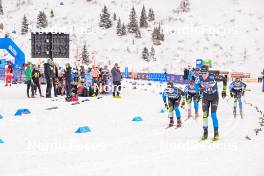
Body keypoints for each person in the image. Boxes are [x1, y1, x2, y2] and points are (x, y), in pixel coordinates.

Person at [194, 65, 227, 141]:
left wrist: (224, 90)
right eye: (202, 73)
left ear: (208, 72)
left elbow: (224, 79)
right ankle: (205, 133)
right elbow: (196, 84)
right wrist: (197, 93)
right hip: (205, 96)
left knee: (213, 114)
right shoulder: (199, 77)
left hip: (214, 96)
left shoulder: (213, 76)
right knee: (205, 114)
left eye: (205, 73)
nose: (203, 75)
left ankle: (216, 133)